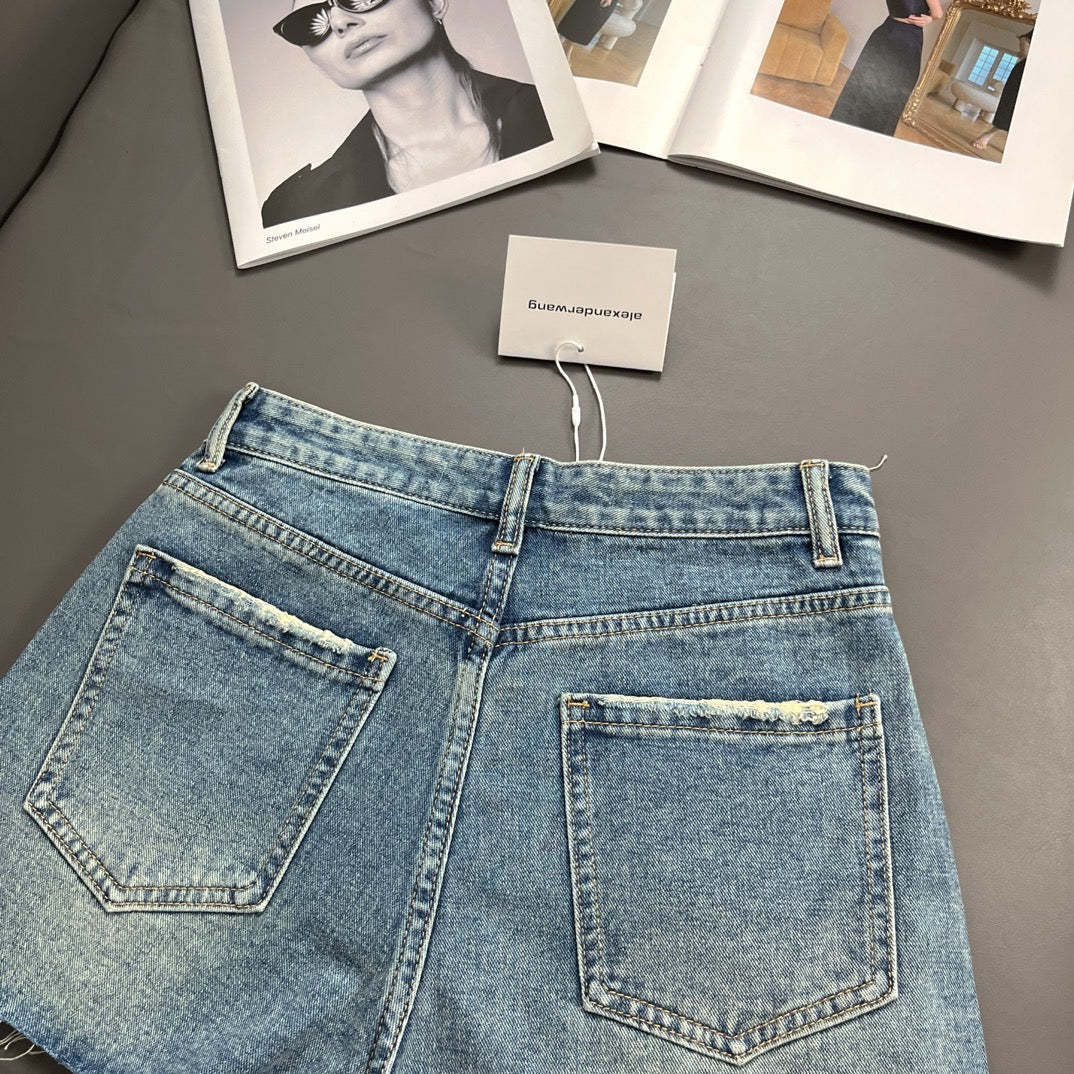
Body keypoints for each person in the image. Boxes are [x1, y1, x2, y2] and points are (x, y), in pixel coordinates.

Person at [262, 0, 553, 228]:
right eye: (307, 22)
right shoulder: (296, 210)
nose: (340, 22)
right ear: (315, 61)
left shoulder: (555, 114)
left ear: (434, 2)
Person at [829, 0, 945, 137]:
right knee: (862, 84)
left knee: (890, 93)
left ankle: (870, 139)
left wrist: (929, 19)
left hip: (907, 42)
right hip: (885, 33)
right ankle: (843, 131)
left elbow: (938, 13)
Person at [972, 29, 1032, 151]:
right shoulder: (1028, 39)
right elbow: (1025, 48)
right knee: (1009, 107)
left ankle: (1012, 143)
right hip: (1022, 73)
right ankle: (988, 135)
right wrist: (1024, 52)